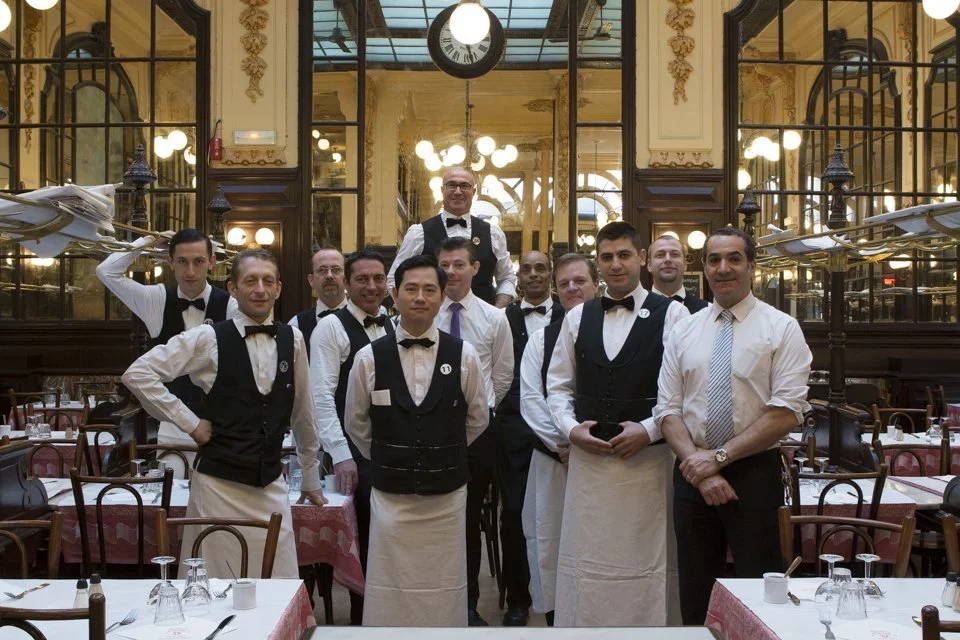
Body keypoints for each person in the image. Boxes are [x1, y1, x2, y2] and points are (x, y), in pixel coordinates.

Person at [121, 248, 327, 579]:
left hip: (271, 484)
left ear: (278, 288)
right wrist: (190, 423)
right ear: (233, 288)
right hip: (218, 487)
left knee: (277, 582)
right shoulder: (208, 338)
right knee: (216, 587)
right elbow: (138, 374)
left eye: (267, 281)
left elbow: (303, 411)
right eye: (250, 281)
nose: (259, 289)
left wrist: (311, 477)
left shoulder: (295, 339)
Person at [655, 227, 812, 625]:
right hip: (692, 475)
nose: (723, 268)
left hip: (754, 473)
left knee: (760, 590)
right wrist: (699, 465)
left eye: (734, 258)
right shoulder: (683, 330)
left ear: (752, 267)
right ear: (704, 268)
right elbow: (667, 410)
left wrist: (719, 458)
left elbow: (787, 411)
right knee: (695, 591)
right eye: (714, 260)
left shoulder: (781, 328)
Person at [546, 221, 688, 627]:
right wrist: (571, 430)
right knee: (588, 558)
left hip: (649, 467)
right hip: (589, 469)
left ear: (641, 259)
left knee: (649, 560)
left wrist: (648, 429)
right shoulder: (577, 318)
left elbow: (681, 393)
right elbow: (557, 387)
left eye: (624, 255)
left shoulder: (674, 315)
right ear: (598, 263)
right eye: (606, 257)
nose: (615, 264)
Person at [344, 255, 489, 626]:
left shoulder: (465, 356)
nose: (420, 297)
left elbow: (477, 419)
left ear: (442, 297)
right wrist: (389, 457)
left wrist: (443, 452)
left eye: (429, 289)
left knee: (444, 582)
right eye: (411, 288)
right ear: (394, 295)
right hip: (390, 495)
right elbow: (357, 425)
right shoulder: (368, 359)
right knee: (389, 582)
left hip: (448, 495)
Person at [97, 228, 237, 463]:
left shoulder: (230, 306)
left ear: (212, 262)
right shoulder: (156, 300)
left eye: (198, 261)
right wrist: (148, 240)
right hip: (173, 428)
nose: (190, 271)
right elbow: (106, 271)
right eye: (182, 261)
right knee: (173, 494)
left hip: (222, 424)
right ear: (170, 261)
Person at [309, 247, 393, 625]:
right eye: (362, 278)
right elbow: (320, 396)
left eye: (378, 278)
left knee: (389, 541)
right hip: (353, 452)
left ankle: (388, 615)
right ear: (346, 282)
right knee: (365, 542)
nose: (371, 286)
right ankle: (364, 622)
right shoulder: (331, 326)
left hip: (391, 449)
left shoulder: (393, 322)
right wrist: (341, 454)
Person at [435, 236, 513, 626]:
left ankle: (466, 606)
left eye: (459, 264)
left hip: (478, 436)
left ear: (475, 268)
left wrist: (476, 416)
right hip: (429, 433)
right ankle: (430, 600)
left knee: (466, 522)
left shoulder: (494, 318)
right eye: (445, 264)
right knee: (431, 517)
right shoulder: (421, 313)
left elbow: (501, 377)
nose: (451, 272)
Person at [519, 252, 599, 626]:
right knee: (548, 543)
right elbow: (531, 400)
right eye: (564, 283)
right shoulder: (541, 338)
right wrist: (566, 443)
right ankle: (554, 620)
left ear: (595, 284)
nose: (571, 288)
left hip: (608, 461)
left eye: (579, 281)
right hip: (555, 461)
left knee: (599, 543)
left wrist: (592, 445)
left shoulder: (619, 331)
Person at [496, 250, 564, 626]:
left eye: (541, 268)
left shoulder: (572, 317)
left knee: (563, 516)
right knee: (516, 515)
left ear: (550, 275)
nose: (534, 275)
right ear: (517, 278)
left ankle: (561, 596)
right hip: (515, 434)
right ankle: (518, 599)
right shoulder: (501, 318)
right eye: (527, 269)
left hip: (564, 432)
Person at [387, 166, 516, 307]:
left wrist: (496, 313)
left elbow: (507, 278)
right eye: (452, 185)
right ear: (442, 190)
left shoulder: (493, 233)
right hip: (432, 324)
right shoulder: (418, 233)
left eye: (464, 186)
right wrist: (414, 313)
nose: (458, 191)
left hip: (483, 325)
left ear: (474, 192)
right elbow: (394, 278)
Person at [289, 246, 348, 356]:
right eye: (322, 270)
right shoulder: (296, 325)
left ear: (346, 278)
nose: (329, 276)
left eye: (336, 269)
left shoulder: (363, 320)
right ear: (311, 280)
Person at [648, 234, 708, 314]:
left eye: (675, 254)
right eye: (660, 255)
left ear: (685, 264)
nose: (668, 259)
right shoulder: (634, 308)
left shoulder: (706, 311)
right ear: (649, 265)